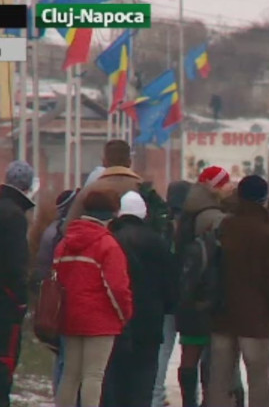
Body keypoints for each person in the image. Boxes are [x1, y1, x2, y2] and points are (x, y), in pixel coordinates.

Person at [208, 175, 269, 407]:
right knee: (258, 379)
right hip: (255, 317)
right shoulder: (266, 233)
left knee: (219, 378)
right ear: (263, 198)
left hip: (222, 311)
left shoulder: (225, 226)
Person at [54, 189, 133, 407]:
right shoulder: (108, 245)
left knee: (70, 375)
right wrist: (124, 314)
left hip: (69, 316)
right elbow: (117, 287)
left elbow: (55, 279)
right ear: (110, 214)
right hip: (101, 320)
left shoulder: (64, 243)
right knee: (93, 375)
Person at [102, 191, 175, 407]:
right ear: (144, 214)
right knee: (143, 387)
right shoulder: (157, 242)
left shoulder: (110, 240)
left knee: (114, 384)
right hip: (149, 326)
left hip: (116, 323)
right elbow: (170, 286)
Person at [176, 166, 231, 407]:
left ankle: (189, 402)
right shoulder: (213, 216)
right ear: (215, 186)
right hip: (209, 292)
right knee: (212, 357)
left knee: (189, 353)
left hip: (187, 292)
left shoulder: (188, 210)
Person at [0, 161, 36, 407]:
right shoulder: (15, 217)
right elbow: (17, 265)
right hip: (5, 306)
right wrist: (21, 302)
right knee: (2, 364)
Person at [31, 188, 79, 397]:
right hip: (58, 300)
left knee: (60, 355)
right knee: (64, 356)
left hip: (49, 299)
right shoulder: (61, 233)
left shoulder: (51, 229)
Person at [152, 181, 192, 407]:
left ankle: (156, 396)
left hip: (164, 298)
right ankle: (190, 398)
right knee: (191, 354)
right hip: (187, 299)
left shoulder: (161, 225)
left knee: (163, 350)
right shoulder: (189, 226)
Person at [63, 140, 143, 229]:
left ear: (104, 162)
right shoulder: (144, 190)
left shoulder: (89, 191)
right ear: (129, 162)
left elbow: (68, 228)